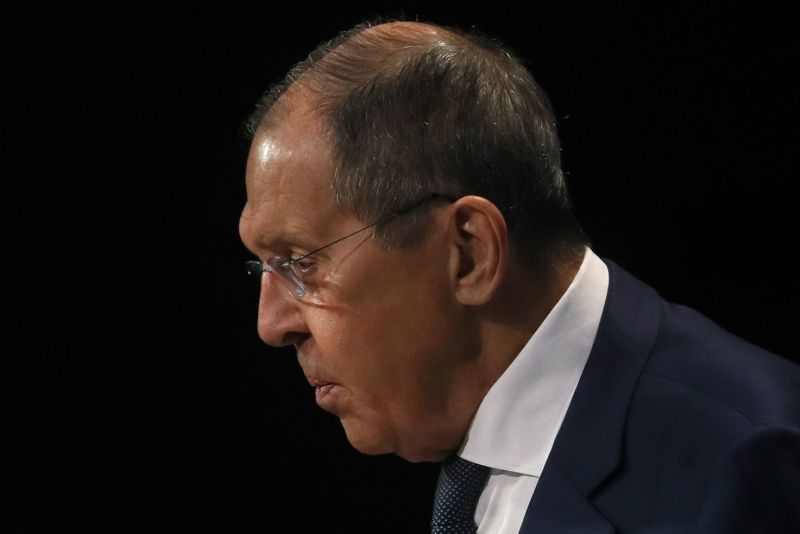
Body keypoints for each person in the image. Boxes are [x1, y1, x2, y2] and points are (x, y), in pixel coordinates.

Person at [238, 20, 800, 533]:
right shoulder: (464, 441)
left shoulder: (746, 468)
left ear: (470, 253)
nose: (271, 324)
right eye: (263, 266)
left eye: (301, 262)